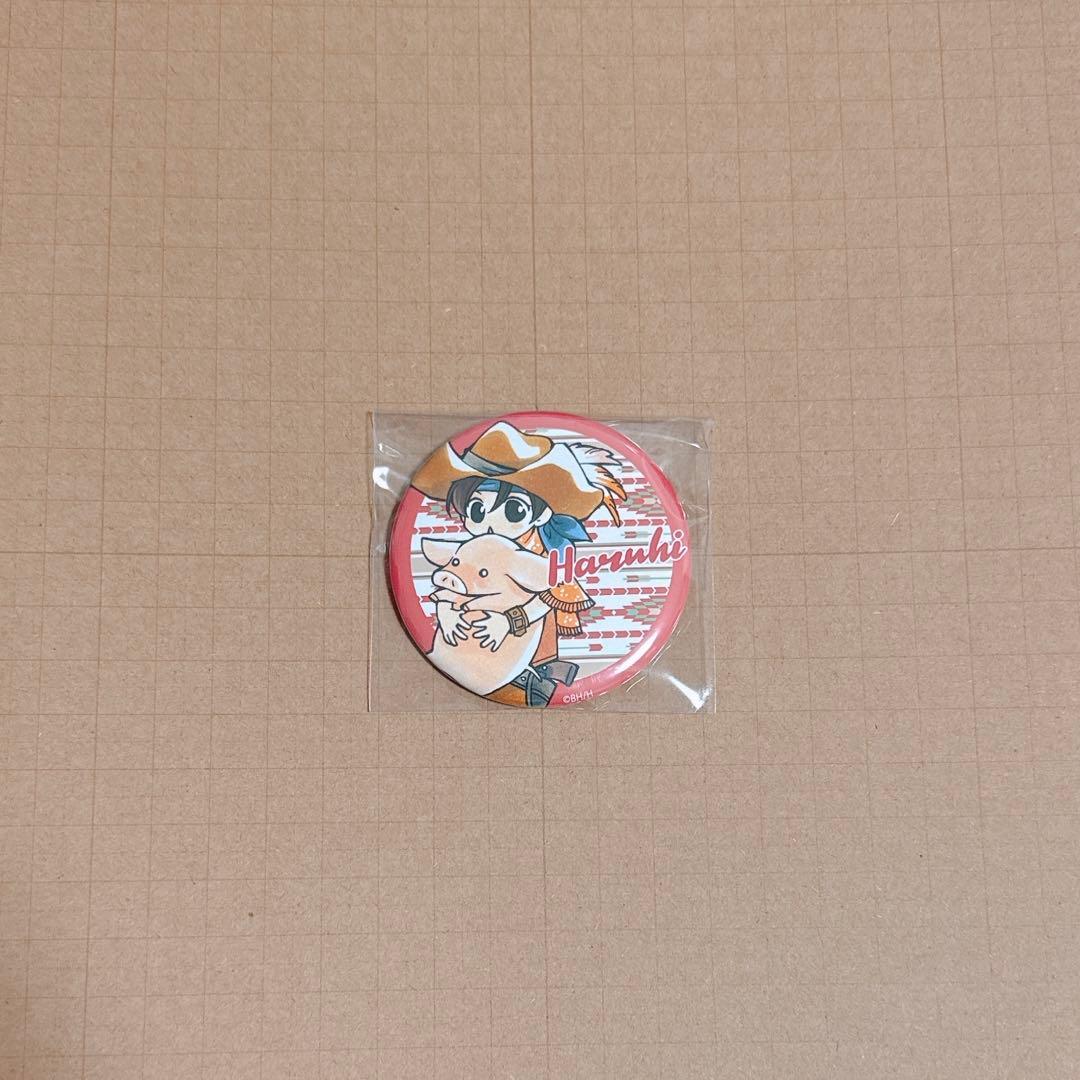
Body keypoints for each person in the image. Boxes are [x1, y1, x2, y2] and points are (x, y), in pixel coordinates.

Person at [411, 421, 627, 706]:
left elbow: (548, 599)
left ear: (542, 514)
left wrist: (509, 621)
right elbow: (452, 584)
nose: (491, 523)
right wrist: (446, 613)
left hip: (520, 660)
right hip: (469, 651)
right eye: (477, 509)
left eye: (513, 510)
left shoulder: (544, 554)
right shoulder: (476, 548)